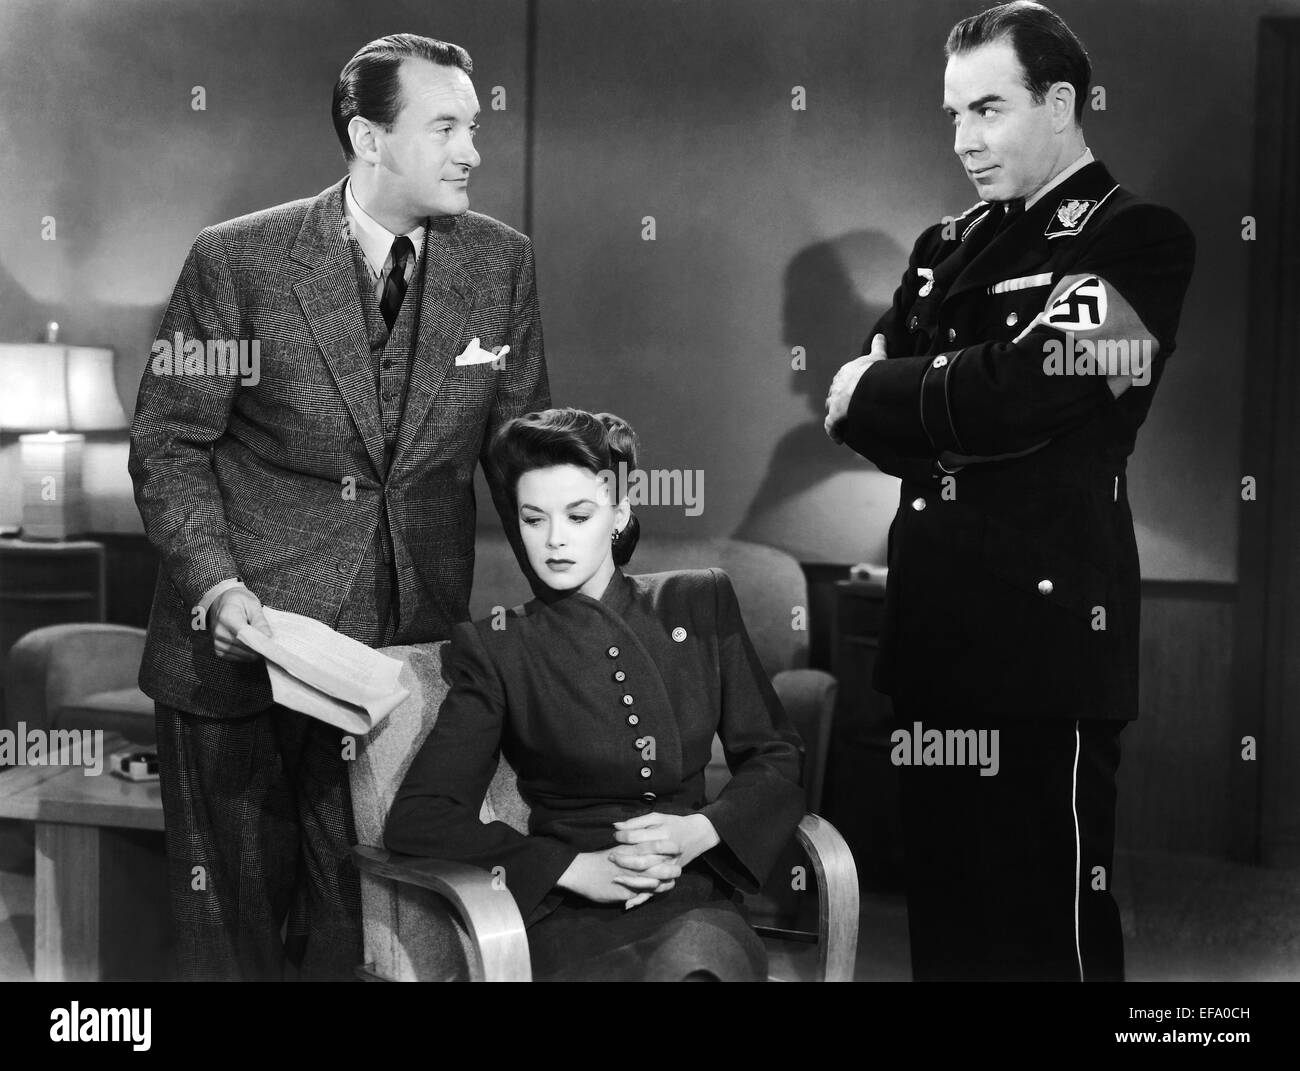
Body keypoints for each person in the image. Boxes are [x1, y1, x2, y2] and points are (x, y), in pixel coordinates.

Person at [128, 33, 550, 981]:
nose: (472, 149)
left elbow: (523, 456)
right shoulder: (237, 260)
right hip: (237, 649)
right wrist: (218, 585)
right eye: (445, 126)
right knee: (228, 932)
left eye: (473, 125)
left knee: (371, 928)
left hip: (398, 660)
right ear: (367, 136)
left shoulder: (501, 264)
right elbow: (168, 441)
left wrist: (587, 592)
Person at [824, 1, 1194, 981]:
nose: (964, 141)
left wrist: (900, 390)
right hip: (933, 638)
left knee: (1046, 931)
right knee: (943, 922)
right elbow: (865, 413)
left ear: (1061, 102)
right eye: (953, 115)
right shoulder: (943, 249)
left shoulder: (1139, 241)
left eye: (987, 110)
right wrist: (947, 397)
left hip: (1044, 653)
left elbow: (1030, 391)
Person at [384, 408, 805, 981]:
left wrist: (702, 830)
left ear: (618, 513)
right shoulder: (496, 646)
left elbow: (776, 756)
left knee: (695, 969)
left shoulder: (699, 601)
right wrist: (568, 868)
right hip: (571, 918)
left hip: (693, 897)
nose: (554, 540)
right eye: (533, 520)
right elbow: (422, 816)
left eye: (578, 516)